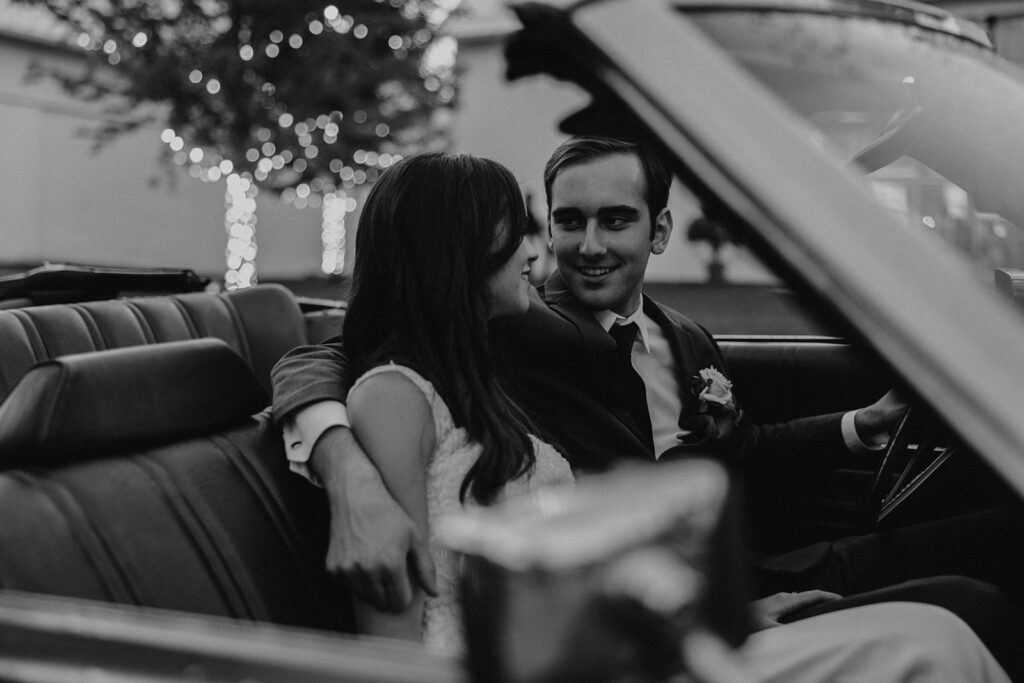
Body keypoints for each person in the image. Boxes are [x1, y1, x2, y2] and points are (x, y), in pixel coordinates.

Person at [272, 138, 1021, 677]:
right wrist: (345, 466)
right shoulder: (504, 345)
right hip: (591, 642)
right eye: (552, 223)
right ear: (461, 252)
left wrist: (862, 426)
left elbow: (738, 454)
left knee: (951, 609)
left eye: (613, 220)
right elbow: (328, 358)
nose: (560, 248)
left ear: (658, 231)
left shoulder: (677, 336)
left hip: (655, 604)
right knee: (952, 621)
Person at [316, 151, 575, 654]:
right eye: (512, 232)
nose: (530, 253)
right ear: (456, 248)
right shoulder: (395, 398)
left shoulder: (480, 374)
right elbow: (393, 641)